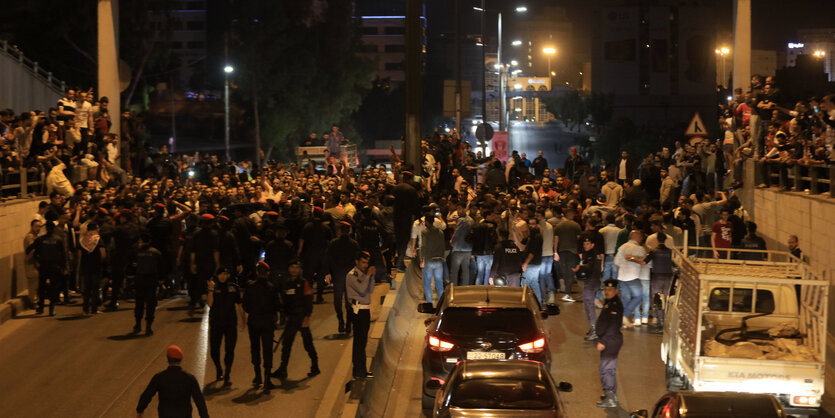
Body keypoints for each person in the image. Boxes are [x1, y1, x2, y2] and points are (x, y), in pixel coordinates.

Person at [273, 259, 319, 380]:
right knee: (286, 345)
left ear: (299, 269)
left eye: (296, 267)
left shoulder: (303, 283)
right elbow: (285, 302)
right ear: (289, 269)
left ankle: (315, 366)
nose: (294, 269)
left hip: (301, 317)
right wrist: (285, 316)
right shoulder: (287, 283)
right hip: (291, 318)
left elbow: (309, 300)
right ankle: (283, 369)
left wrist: (307, 317)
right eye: (292, 267)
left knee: (308, 344)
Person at [136, 345, 209, 418]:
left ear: (167, 359)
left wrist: (140, 410)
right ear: (181, 360)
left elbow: (147, 395)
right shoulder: (189, 379)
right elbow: (199, 400)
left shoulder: (159, 377)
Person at [242, 261, 280, 389]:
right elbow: (277, 306)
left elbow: (245, 307)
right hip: (268, 322)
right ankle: (267, 379)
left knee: (255, 348)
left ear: (257, 272)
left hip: (254, 322)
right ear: (268, 273)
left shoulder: (250, 287)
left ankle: (258, 376)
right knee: (267, 350)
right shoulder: (272, 287)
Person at [207, 267, 244, 385]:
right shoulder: (213, 287)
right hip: (216, 323)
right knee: (214, 350)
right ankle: (219, 368)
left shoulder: (234, 287)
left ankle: (227, 374)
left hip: (230, 323)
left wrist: (243, 320)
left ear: (228, 275)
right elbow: (209, 303)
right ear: (217, 276)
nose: (222, 276)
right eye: (220, 274)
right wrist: (211, 290)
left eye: (225, 274)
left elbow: (239, 305)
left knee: (230, 350)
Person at [26, 220, 67, 316]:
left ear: (46, 228)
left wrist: (37, 256)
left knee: (41, 287)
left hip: (43, 267)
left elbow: (29, 250)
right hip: (54, 267)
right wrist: (63, 267)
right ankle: (52, 308)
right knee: (53, 287)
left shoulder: (40, 239)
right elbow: (63, 255)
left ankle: (40, 307)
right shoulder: (58, 240)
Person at [326, 221, 360, 334]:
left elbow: (328, 259)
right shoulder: (354, 244)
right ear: (349, 230)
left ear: (340, 230)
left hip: (338, 276)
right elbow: (357, 261)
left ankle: (341, 321)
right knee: (349, 302)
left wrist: (328, 273)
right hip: (349, 277)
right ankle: (349, 324)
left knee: (337, 301)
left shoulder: (333, 243)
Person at [346, 251, 376, 379]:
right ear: (356, 262)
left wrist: (372, 276)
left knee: (363, 342)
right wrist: (368, 276)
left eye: (367, 263)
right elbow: (362, 289)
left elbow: (370, 290)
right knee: (359, 342)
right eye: (363, 262)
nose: (365, 265)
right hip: (357, 311)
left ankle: (362, 370)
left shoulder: (363, 275)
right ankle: (358, 371)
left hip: (365, 310)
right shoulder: (352, 275)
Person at [595, 279, 624, 408]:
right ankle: (611, 395)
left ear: (615, 290)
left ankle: (610, 397)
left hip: (611, 341)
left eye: (610, 290)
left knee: (606, 370)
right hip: (610, 340)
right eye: (606, 289)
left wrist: (604, 341)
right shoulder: (609, 303)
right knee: (608, 369)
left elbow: (613, 326)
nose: (607, 292)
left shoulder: (615, 305)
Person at [614, 230, 646, 327]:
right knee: (638, 296)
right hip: (633, 276)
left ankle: (622, 321)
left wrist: (624, 265)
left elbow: (616, 262)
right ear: (636, 237)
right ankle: (625, 315)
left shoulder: (622, 247)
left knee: (625, 299)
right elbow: (644, 261)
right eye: (640, 237)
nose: (641, 239)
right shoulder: (640, 249)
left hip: (622, 276)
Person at [133, 233, 163, 335]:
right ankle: (148, 327)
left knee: (139, 303)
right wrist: (161, 279)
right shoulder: (156, 252)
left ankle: (138, 325)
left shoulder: (137, 252)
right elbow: (161, 267)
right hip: (151, 279)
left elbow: (132, 265)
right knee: (150, 304)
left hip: (140, 279)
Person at [644, 233, 673, 334]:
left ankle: (660, 323)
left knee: (657, 300)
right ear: (665, 240)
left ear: (657, 240)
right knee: (665, 300)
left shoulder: (654, 251)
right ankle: (665, 322)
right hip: (668, 278)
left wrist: (633, 259)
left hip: (656, 278)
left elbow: (644, 262)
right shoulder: (670, 252)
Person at [574, 237, 603, 340]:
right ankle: (592, 327)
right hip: (591, 281)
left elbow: (590, 266)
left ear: (592, 244)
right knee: (587, 305)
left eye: (587, 243)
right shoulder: (588, 253)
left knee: (589, 305)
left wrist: (580, 267)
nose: (585, 245)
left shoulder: (593, 254)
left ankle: (595, 330)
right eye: (584, 244)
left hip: (592, 282)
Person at [77, 222, 106, 315]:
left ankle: (85, 309)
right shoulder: (98, 239)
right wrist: (101, 261)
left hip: (85, 267)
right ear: (95, 229)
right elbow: (103, 253)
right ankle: (94, 309)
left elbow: (79, 255)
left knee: (87, 289)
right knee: (95, 288)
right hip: (96, 266)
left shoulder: (82, 239)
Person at [554, 207, 582, 302]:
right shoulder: (576, 225)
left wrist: (555, 252)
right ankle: (567, 293)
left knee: (565, 272)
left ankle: (566, 292)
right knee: (570, 273)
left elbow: (556, 240)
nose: (574, 215)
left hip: (562, 251)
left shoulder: (559, 226)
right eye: (573, 214)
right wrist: (580, 252)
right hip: (573, 252)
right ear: (570, 214)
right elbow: (579, 239)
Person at [420, 213, 446, 305]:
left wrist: (422, 260)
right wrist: (443, 257)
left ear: (426, 222)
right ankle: (441, 304)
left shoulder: (424, 232)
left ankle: (429, 304)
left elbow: (423, 246)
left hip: (429, 259)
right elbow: (443, 246)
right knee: (439, 283)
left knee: (427, 283)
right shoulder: (440, 232)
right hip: (439, 259)